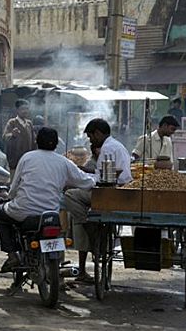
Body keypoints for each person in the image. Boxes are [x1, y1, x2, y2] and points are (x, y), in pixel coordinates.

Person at [0, 128, 95, 273]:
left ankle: (12, 255)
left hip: (23, 211)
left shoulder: (27, 157)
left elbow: (14, 187)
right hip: (50, 214)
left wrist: (8, 196)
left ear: (36, 141)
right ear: (56, 144)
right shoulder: (64, 162)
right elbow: (87, 182)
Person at [65, 118, 132, 282]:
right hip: (117, 190)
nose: (90, 140)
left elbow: (101, 179)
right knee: (77, 194)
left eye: (90, 136)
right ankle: (87, 224)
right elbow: (99, 173)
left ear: (98, 133)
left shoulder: (108, 148)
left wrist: (79, 178)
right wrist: (84, 172)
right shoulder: (116, 145)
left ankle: (87, 223)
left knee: (70, 195)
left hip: (109, 194)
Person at [2, 99, 36, 181]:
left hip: (28, 161)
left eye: (27, 109)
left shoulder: (29, 124)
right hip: (15, 161)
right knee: (14, 183)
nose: (25, 111)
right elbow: (4, 137)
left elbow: (34, 140)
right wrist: (12, 134)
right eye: (22, 109)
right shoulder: (12, 123)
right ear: (17, 110)